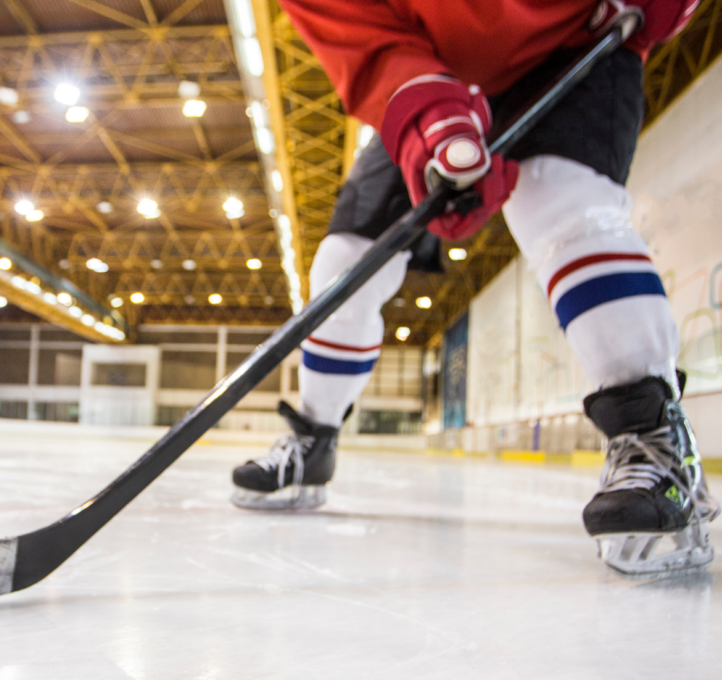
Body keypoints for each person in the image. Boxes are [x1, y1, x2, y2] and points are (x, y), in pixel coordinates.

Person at [230, 0, 719, 576]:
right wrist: (433, 123)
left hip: (576, 40)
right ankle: (314, 439)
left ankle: (654, 437)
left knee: (563, 202)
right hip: (433, 75)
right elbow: (371, 44)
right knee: (346, 259)